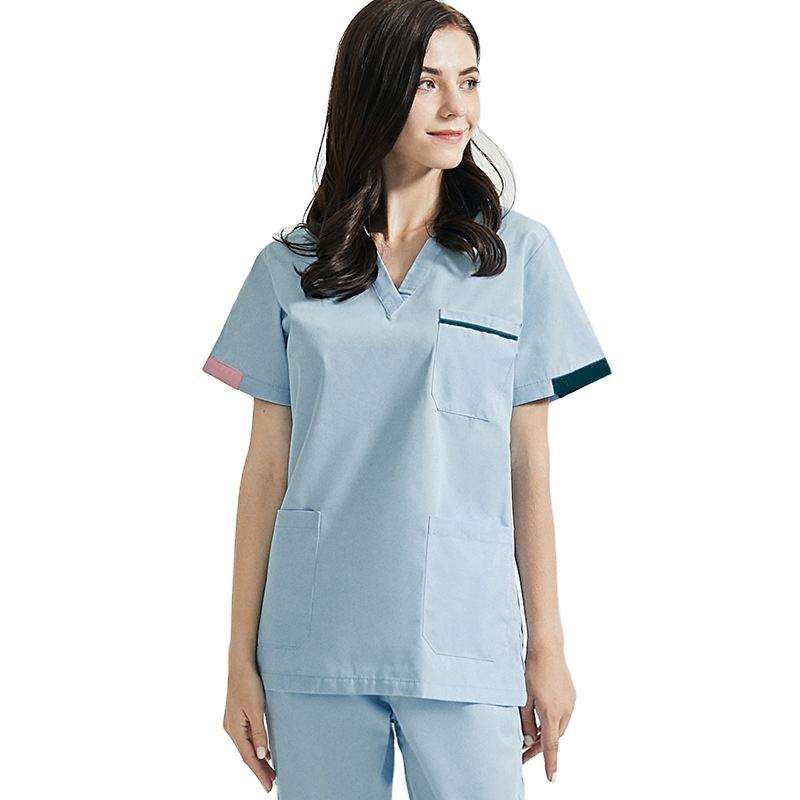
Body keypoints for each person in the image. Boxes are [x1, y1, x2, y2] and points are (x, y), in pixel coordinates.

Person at [201, 1, 611, 796]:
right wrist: (237, 662)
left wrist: (548, 648)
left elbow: (529, 467)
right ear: (372, 91)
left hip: (464, 632)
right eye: (427, 84)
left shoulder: (518, 256)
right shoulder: (290, 267)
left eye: (470, 81)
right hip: (314, 636)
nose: (457, 107)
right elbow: (266, 472)